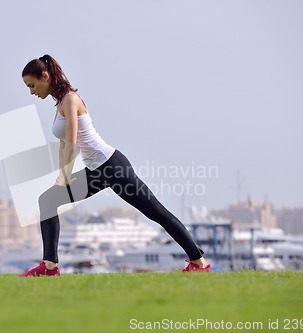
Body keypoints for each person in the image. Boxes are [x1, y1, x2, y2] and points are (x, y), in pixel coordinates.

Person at [19, 54, 211, 277]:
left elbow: (72, 144)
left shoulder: (71, 99)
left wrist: (66, 177)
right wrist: (62, 177)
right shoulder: (60, 103)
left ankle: (199, 263)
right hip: (96, 170)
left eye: (32, 85)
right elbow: (63, 146)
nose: (31, 91)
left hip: (113, 166)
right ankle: (49, 267)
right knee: (48, 200)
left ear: (45, 77)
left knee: (156, 213)